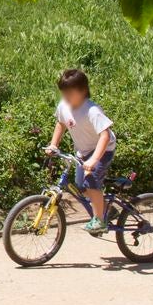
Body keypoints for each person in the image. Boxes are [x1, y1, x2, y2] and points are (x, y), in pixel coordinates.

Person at [46, 67, 116, 234]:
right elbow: (61, 124)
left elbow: (105, 136)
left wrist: (93, 160)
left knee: (90, 182)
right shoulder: (64, 106)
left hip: (102, 149)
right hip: (83, 151)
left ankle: (99, 221)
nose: (66, 98)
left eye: (70, 94)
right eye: (64, 94)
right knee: (80, 187)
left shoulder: (92, 110)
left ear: (83, 91)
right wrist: (53, 144)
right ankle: (107, 210)